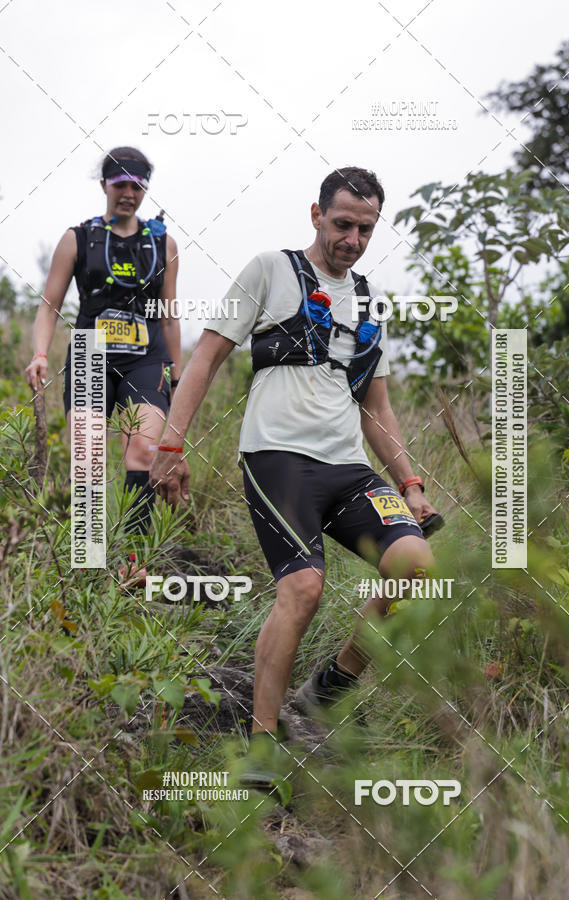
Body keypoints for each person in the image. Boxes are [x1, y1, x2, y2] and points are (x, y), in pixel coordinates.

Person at [149, 166, 438, 780]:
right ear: (316, 215)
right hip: (277, 457)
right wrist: (172, 444)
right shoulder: (269, 270)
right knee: (304, 587)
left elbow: (377, 408)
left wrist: (410, 485)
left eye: (365, 229)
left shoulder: (370, 300)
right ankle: (262, 744)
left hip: (349, 469)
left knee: (416, 565)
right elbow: (205, 359)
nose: (352, 240)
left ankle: (333, 683)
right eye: (342, 224)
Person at [25, 146, 180, 580]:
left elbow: (170, 315)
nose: (129, 193)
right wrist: (40, 353)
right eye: (120, 184)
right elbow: (49, 305)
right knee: (88, 455)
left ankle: (133, 564)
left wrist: (177, 374)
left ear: (145, 189)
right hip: (90, 352)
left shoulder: (163, 243)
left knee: (143, 451)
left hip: (146, 356)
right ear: (105, 186)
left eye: (137, 186)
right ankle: (89, 560)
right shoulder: (77, 238)